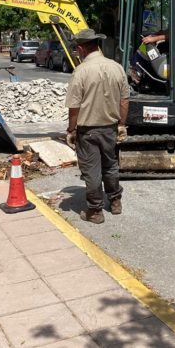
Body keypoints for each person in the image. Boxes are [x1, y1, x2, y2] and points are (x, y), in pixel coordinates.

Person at [65, 29, 130, 224]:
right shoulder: (116, 67)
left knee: (92, 170)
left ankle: (95, 211)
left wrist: (71, 129)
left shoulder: (81, 72)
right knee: (110, 165)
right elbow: (124, 101)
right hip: (110, 128)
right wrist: (121, 125)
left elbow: (74, 106)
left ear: (80, 48)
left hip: (88, 130)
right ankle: (115, 201)